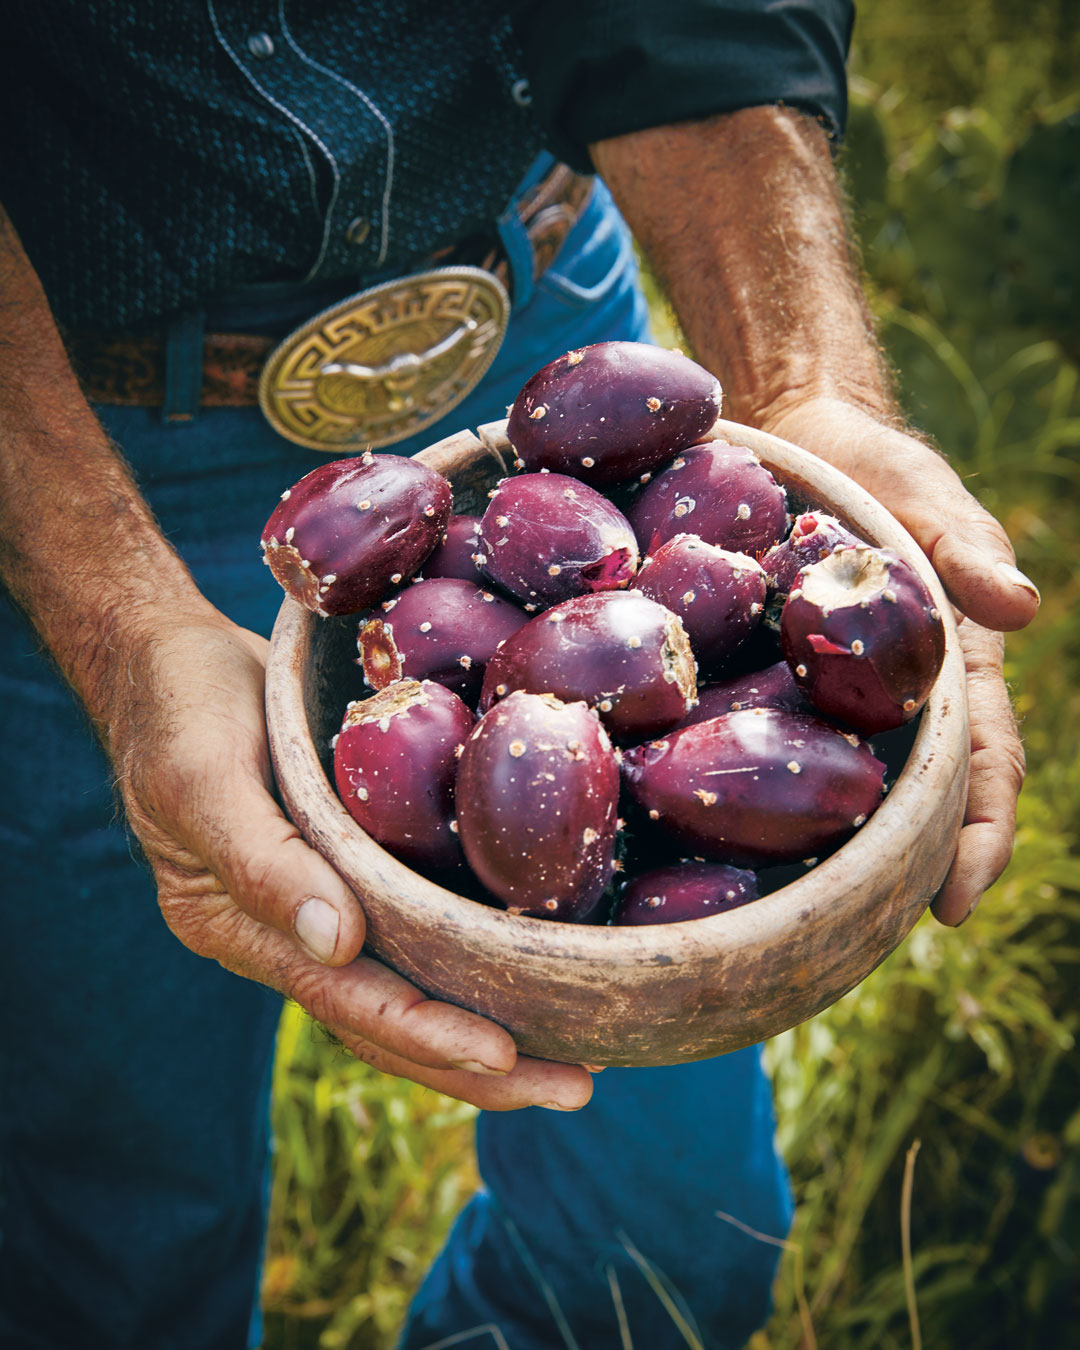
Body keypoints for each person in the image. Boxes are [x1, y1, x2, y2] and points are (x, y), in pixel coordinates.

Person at [0, 4, 1037, 1348]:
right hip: (72, 439)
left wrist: (796, 379)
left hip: (536, 308)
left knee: (665, 1246)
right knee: (116, 1243)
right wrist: (117, 621)